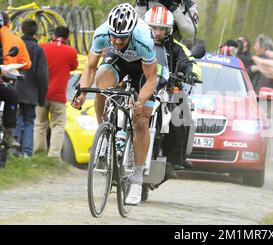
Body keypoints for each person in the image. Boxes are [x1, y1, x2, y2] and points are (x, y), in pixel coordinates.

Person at [72, 3, 158, 205]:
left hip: (143, 69)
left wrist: (141, 101)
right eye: (115, 37)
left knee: (141, 121)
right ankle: (104, 130)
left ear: (130, 33)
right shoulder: (102, 33)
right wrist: (83, 92)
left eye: (123, 37)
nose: (118, 41)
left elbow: (152, 78)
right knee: (102, 83)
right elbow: (90, 68)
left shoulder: (143, 38)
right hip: (118, 61)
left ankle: (137, 178)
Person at [144, 5, 199, 180]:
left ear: (169, 30)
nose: (157, 32)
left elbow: (187, 61)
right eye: (153, 27)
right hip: (139, 87)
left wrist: (190, 72)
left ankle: (173, 159)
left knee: (180, 111)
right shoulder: (137, 43)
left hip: (165, 89)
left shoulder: (175, 47)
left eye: (162, 29)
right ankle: (110, 144)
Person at [34, 26, 77, 159]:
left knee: (40, 124)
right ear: (68, 38)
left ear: (53, 35)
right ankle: (54, 156)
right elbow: (73, 66)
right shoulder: (71, 51)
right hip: (59, 96)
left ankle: (39, 153)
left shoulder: (42, 47)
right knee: (58, 125)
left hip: (41, 94)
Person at [14, 20, 48, 157]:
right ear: (35, 32)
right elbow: (42, 75)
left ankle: (14, 151)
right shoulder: (38, 49)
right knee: (29, 121)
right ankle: (27, 153)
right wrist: (41, 97)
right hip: (31, 92)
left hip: (14, 90)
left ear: (22, 29)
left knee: (16, 119)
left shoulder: (16, 45)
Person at [0, 12, 32, 149]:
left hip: (5, 78)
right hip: (6, 75)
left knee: (12, 94)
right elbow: (27, 63)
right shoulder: (15, 39)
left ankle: (8, 132)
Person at [135, 0, 199, 42]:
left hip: (172, 50)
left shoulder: (189, 5)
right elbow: (136, 28)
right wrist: (141, 4)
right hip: (145, 43)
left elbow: (189, 34)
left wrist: (173, 7)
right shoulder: (148, 1)